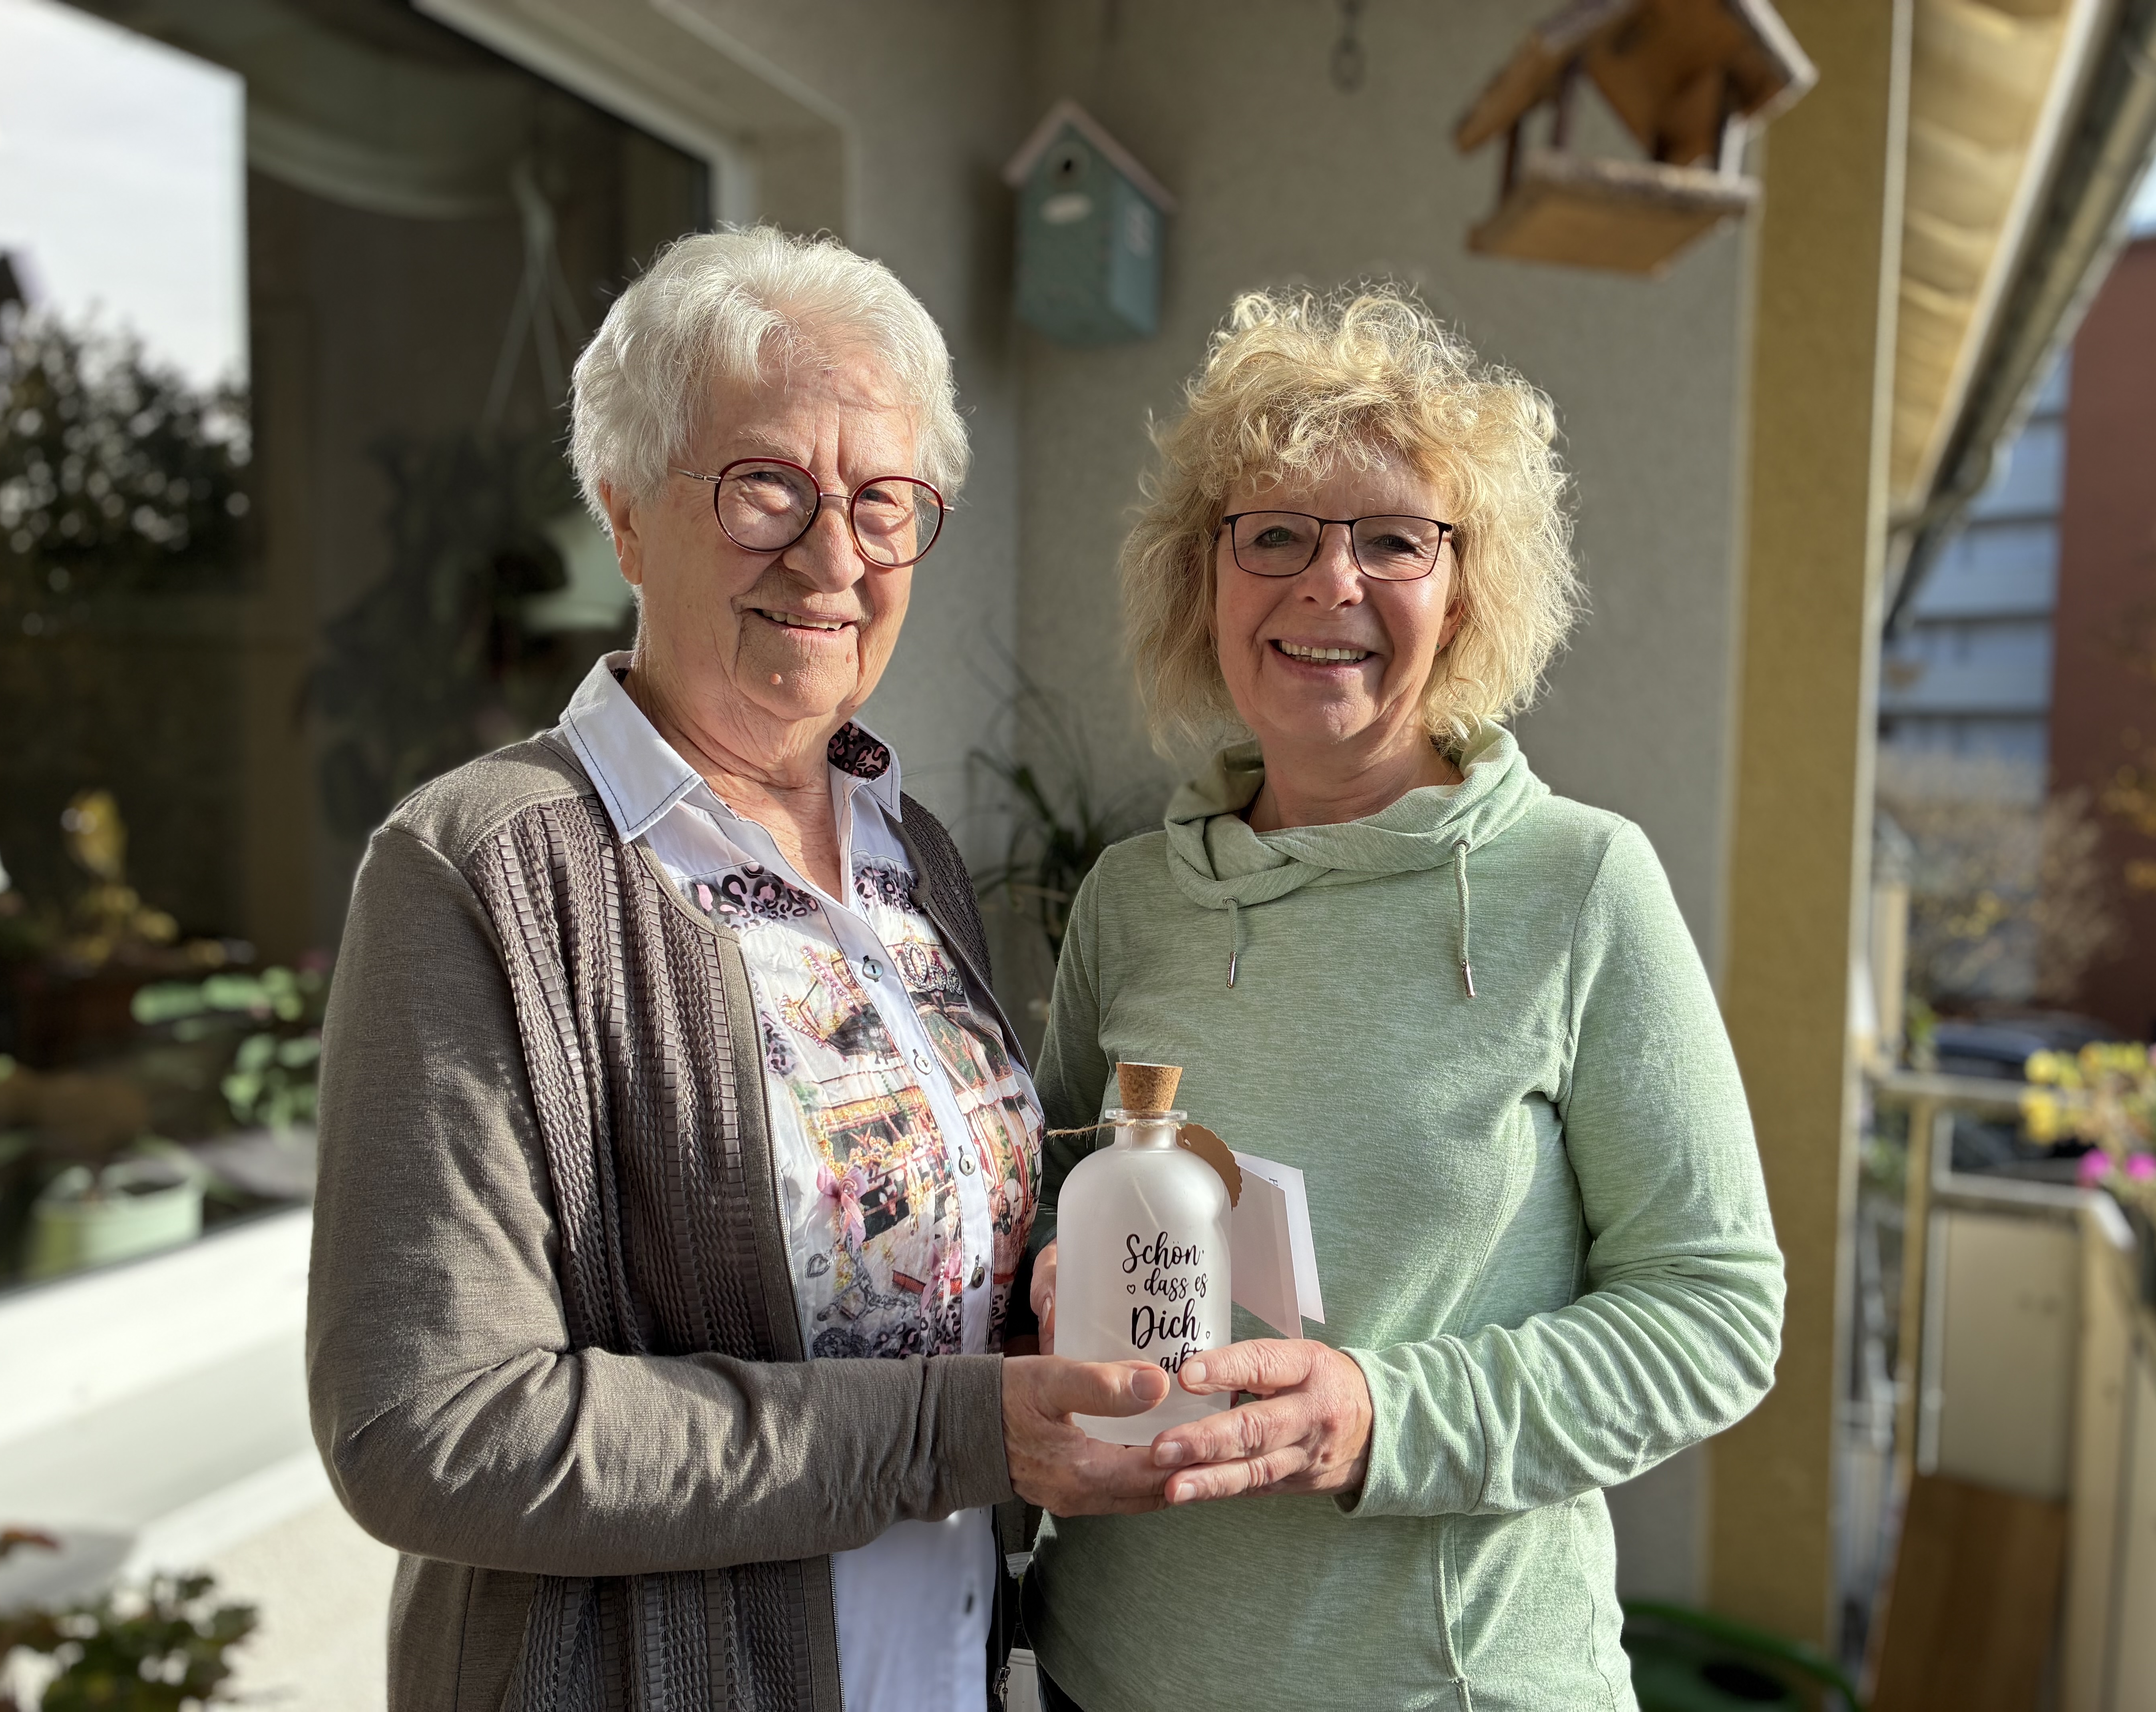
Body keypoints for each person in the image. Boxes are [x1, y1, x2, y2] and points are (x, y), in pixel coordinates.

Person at [307, 227, 1176, 1712]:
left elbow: (928, 1298)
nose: (835, 556)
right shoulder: (483, 868)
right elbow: (431, 1424)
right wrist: (956, 1432)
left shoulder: (916, 860)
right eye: (768, 486)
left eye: (884, 502)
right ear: (626, 510)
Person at [1022, 286, 1786, 1711]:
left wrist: (1382, 1417)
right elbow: (1040, 1226)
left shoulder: (1582, 885)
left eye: (1393, 539)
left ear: (1468, 585)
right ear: (1207, 576)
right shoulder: (1134, 898)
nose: (1332, 586)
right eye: (1278, 536)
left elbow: (1716, 1311)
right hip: (1108, 1674)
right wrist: (1042, 1282)